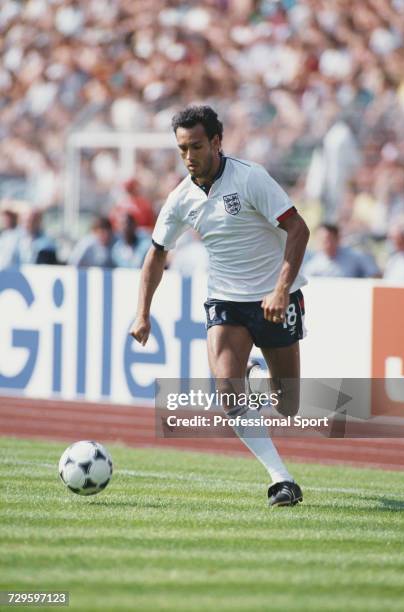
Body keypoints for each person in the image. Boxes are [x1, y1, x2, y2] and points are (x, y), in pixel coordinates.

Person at [130, 106, 310, 508]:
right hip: (226, 301)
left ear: (215, 142)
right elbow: (156, 253)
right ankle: (281, 480)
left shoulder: (250, 178)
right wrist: (143, 312)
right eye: (182, 149)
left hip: (275, 299)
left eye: (196, 146)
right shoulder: (181, 199)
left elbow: (298, 228)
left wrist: (281, 289)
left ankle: (259, 379)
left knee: (288, 404)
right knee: (228, 394)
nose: (189, 156)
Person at [304, 223, 380, 278]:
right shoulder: (313, 264)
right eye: (322, 240)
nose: (326, 243)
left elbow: (375, 274)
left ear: (337, 238)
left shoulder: (354, 256)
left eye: (329, 239)